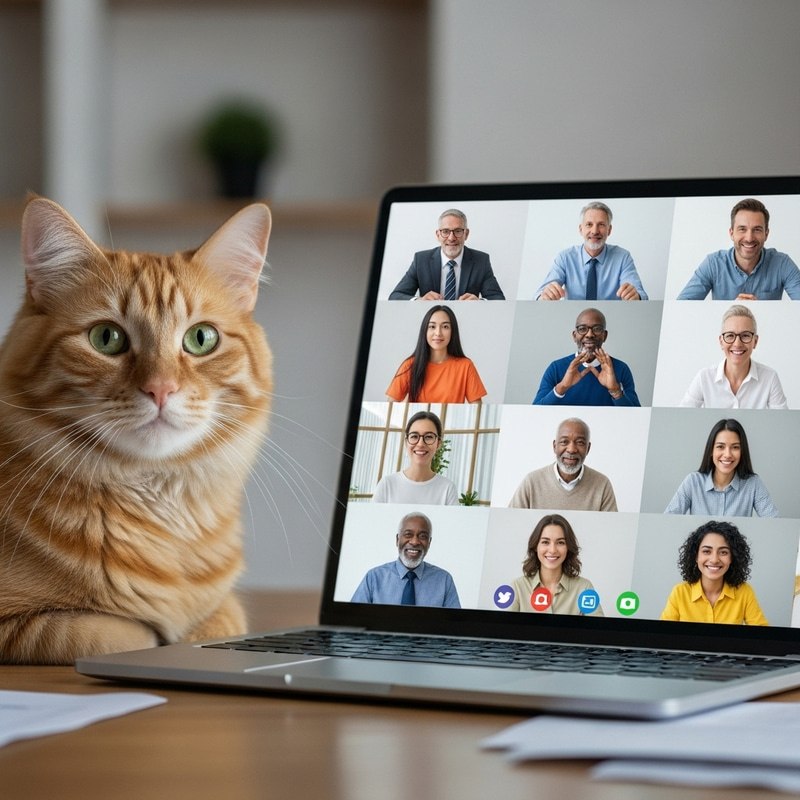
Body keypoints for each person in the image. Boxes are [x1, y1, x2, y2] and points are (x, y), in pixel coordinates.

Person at [677, 198, 800, 300]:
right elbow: (682, 308)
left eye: (757, 229)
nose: (749, 238)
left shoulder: (782, 264)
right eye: (742, 229)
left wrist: (762, 310)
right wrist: (733, 310)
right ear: (731, 233)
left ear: (766, 234)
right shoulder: (713, 264)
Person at [665, 418, 779, 517]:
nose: (728, 454)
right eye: (720, 447)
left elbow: (774, 522)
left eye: (735, 447)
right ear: (711, 450)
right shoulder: (693, 482)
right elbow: (668, 520)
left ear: (742, 451)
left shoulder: (753, 483)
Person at [660, 520, 768, 625]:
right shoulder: (680, 592)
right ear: (696, 556)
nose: (714, 559)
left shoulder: (744, 591)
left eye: (723, 552)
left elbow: (763, 637)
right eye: (707, 551)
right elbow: (663, 636)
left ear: (732, 558)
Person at [680, 304, 788, 409]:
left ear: (755, 341)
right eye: (730, 336)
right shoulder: (704, 377)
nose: (737, 344)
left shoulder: (770, 377)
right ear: (721, 342)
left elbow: (783, 423)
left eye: (745, 335)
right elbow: (682, 418)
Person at [535, 202, 648, 301]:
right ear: (581, 229)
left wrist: (635, 296)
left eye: (601, 225)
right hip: (573, 320)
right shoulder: (565, 258)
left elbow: (641, 295)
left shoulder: (623, 257)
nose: (594, 231)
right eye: (589, 224)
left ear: (609, 230)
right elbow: (539, 296)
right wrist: (544, 297)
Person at [532, 307, 641, 406]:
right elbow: (535, 411)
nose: (589, 334)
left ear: (605, 336)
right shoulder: (555, 368)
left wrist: (615, 391)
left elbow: (637, 416)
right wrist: (563, 387)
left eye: (597, 329)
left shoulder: (621, 368)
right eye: (582, 329)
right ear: (575, 336)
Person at [389, 209, 505, 301]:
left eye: (458, 231)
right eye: (445, 231)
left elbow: (498, 299)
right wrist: (419, 300)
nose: (451, 238)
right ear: (438, 234)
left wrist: (479, 302)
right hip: (432, 326)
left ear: (466, 234)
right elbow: (396, 296)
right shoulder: (421, 260)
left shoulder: (481, 261)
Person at [350, 512, 461, 607]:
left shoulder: (444, 580)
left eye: (422, 536)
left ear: (429, 543)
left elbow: (455, 626)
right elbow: (353, 619)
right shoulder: (374, 577)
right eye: (408, 535)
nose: (414, 542)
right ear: (397, 539)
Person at [508, 418, 617, 511]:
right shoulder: (532, 481)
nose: (571, 450)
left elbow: (611, 530)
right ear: (555, 446)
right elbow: (511, 522)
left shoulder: (602, 484)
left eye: (579, 442)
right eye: (564, 442)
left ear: (588, 448)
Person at [505, 514, 604, 615]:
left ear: (568, 547)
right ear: (536, 546)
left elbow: (599, 629)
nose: (552, 550)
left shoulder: (584, 588)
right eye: (545, 542)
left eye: (560, 543)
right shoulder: (517, 587)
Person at [386, 305, 487, 403]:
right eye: (432, 326)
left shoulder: (466, 366)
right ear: (424, 331)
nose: (438, 333)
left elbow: (477, 407)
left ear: (453, 331)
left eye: (445, 327)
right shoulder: (410, 365)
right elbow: (390, 404)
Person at [372, 411, 459, 505]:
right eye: (414, 436)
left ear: (438, 444)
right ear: (406, 442)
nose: (420, 444)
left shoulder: (447, 488)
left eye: (428, 437)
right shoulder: (387, 484)